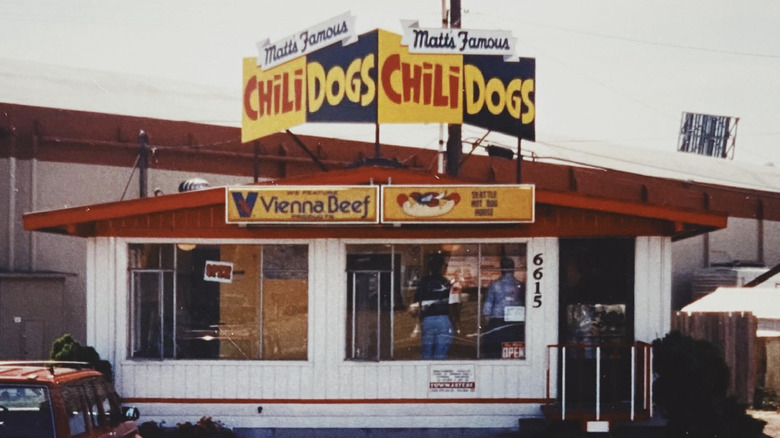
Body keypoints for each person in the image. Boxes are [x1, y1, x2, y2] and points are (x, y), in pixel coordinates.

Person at [482, 257, 526, 359]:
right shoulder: (520, 285)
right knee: (514, 352)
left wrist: (487, 323)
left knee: (495, 353)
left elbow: (487, 308)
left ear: (501, 269)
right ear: (513, 269)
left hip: (497, 321)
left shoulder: (494, 285)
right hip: (516, 321)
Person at [415, 252, 453, 359]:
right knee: (441, 354)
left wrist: (419, 321)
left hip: (427, 319)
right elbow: (451, 304)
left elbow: (418, 303)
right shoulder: (446, 282)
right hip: (443, 319)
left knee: (426, 352)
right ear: (441, 267)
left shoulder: (423, 281)